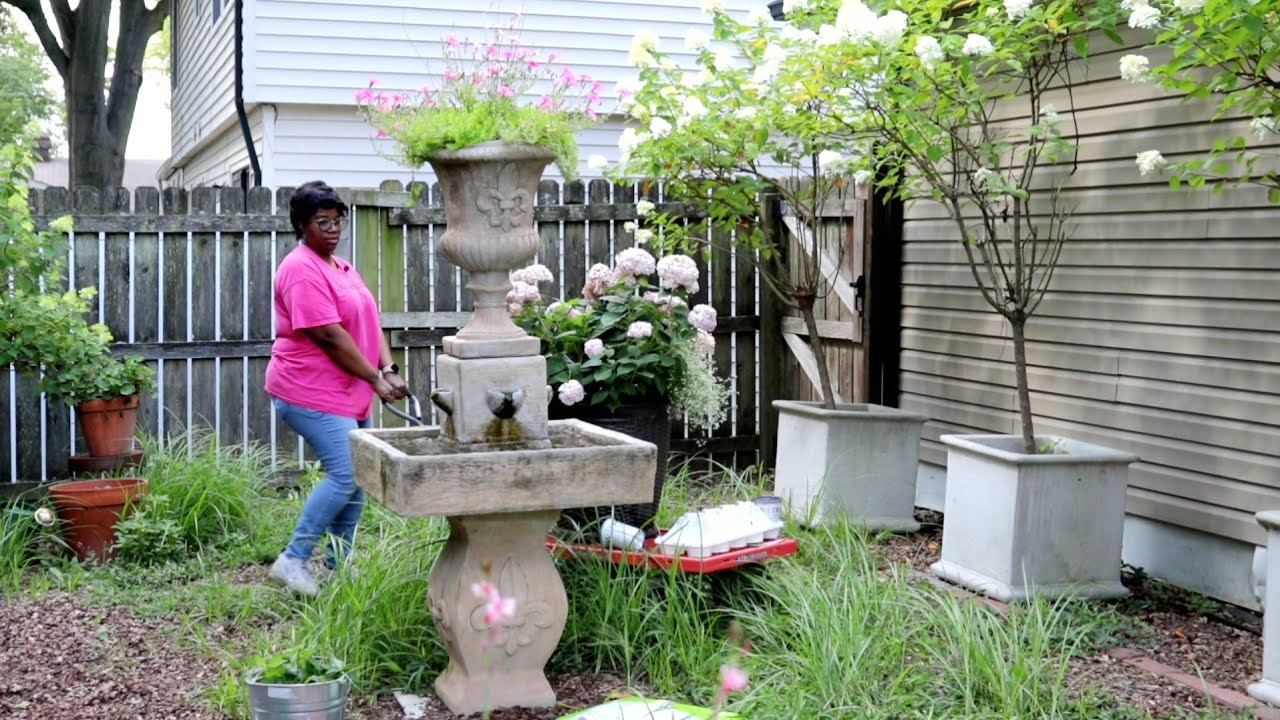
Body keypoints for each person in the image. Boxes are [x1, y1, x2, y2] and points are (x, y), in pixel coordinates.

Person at [265, 180, 409, 596]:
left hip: (350, 389)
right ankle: (293, 559)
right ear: (300, 224)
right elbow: (328, 335)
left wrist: (388, 366)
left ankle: (338, 566)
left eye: (337, 220)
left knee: (358, 476)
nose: (332, 229)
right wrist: (374, 378)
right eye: (321, 221)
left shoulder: (341, 267)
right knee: (345, 472)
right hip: (308, 390)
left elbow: (370, 319)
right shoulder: (299, 269)